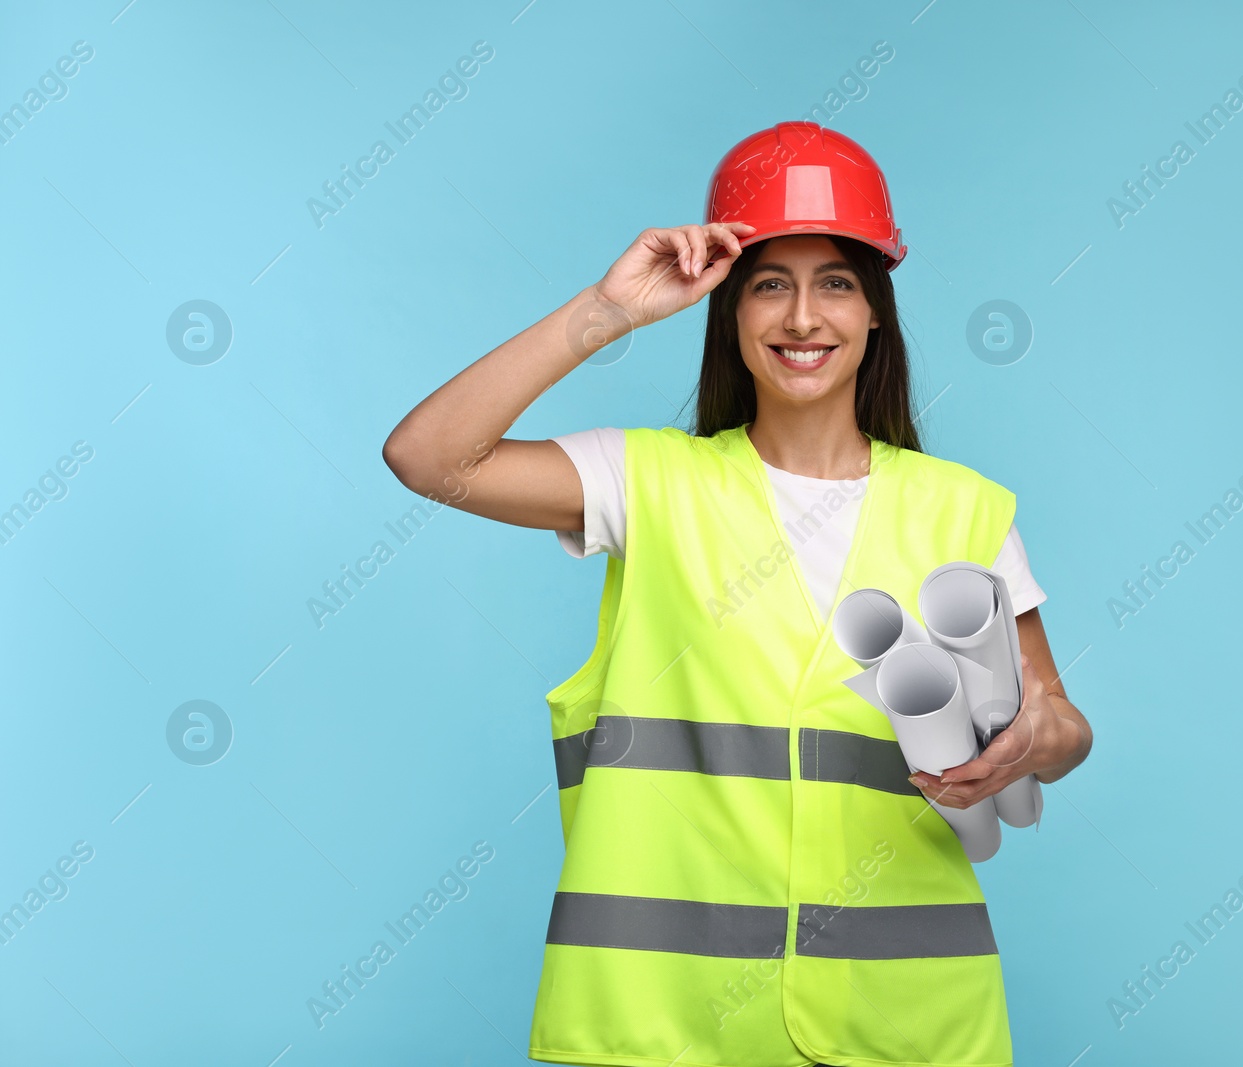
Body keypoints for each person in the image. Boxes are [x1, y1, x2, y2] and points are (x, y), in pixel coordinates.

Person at [383, 121, 1093, 1067]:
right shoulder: (646, 482)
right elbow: (429, 456)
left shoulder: (964, 510)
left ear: (876, 310)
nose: (804, 317)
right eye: (771, 284)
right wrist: (607, 310)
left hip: (906, 1019)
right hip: (671, 1019)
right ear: (728, 310)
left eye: (835, 281)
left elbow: (1061, 723)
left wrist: (1039, 739)